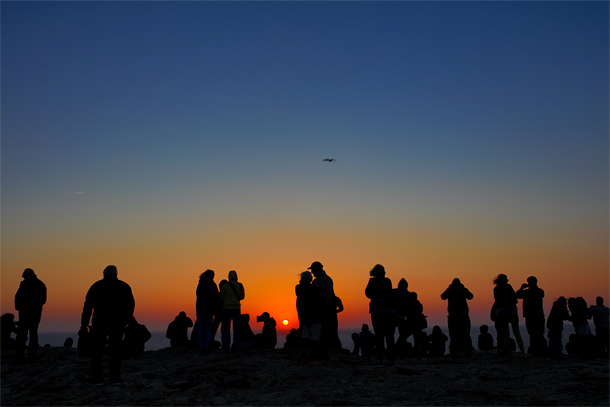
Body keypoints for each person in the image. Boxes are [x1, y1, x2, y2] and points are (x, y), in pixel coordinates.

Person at [81, 265, 135, 385]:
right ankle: (115, 377)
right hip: (117, 323)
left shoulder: (96, 286)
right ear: (116, 274)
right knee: (115, 350)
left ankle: (97, 377)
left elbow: (88, 306)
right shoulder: (124, 286)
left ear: (104, 274)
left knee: (97, 350)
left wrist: (84, 324)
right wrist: (126, 320)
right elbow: (130, 305)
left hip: (100, 323)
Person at [365, 264, 395, 366]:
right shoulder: (388, 281)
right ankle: (390, 358)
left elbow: (367, 293)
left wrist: (375, 294)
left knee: (379, 335)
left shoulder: (372, 281)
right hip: (388, 311)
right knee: (389, 335)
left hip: (376, 310)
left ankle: (379, 358)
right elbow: (390, 293)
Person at [14, 268, 47, 362]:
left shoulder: (36, 284)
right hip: (31, 313)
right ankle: (26, 356)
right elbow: (43, 300)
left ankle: (24, 356)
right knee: (29, 334)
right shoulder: (38, 284)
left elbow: (42, 300)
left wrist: (20, 306)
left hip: (30, 313)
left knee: (26, 334)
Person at [491, 274, 525, 357]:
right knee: (517, 332)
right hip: (512, 311)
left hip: (502, 312)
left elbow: (497, 301)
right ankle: (523, 353)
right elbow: (515, 299)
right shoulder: (508, 287)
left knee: (505, 334)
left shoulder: (496, 289)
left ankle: (507, 353)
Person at [296, 270, 324, 364]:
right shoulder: (315, 289)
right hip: (315, 316)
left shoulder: (299, 289)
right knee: (315, 337)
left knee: (305, 335)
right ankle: (313, 358)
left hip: (304, 316)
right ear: (310, 279)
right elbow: (320, 302)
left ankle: (304, 357)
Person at [440, 278, 474, 357]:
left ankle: (455, 353)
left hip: (455, 316)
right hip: (461, 316)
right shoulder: (461, 290)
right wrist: (463, 289)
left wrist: (449, 289)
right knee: (464, 335)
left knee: (454, 335)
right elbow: (470, 296)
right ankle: (466, 352)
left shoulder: (451, 290)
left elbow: (443, 296)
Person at [309, 261, 335, 359]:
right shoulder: (315, 281)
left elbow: (329, 295)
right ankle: (318, 351)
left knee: (324, 331)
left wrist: (323, 308)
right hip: (316, 310)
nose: (312, 272)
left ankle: (324, 353)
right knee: (317, 331)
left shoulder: (327, 280)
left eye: (313, 270)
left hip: (323, 310)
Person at [516, 276, 546, 356]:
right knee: (536, 333)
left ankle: (536, 349)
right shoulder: (539, 291)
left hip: (532, 315)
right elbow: (517, 296)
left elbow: (517, 295)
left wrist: (522, 288)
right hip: (537, 315)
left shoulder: (528, 292)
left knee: (534, 333)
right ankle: (538, 349)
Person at [219, 270, 245, 352]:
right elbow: (242, 297)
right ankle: (235, 346)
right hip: (236, 308)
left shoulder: (225, 286)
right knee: (236, 329)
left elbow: (221, 298)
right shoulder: (240, 285)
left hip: (226, 308)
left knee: (226, 329)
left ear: (229, 277)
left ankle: (226, 347)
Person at [195, 269, 219, 354]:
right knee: (208, 328)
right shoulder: (212, 284)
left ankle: (202, 347)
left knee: (201, 329)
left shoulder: (200, 284)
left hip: (200, 309)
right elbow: (216, 296)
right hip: (209, 309)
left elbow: (197, 295)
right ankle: (207, 347)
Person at [392, 278, 411, 355]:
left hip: (392, 316)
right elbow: (409, 306)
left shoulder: (393, 291)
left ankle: (392, 351)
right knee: (402, 335)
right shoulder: (408, 294)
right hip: (402, 317)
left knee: (391, 335)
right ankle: (401, 352)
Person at [407, 291, 426, 359]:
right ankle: (418, 355)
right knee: (417, 341)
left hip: (411, 323)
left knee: (403, 337)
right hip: (418, 324)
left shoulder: (409, 304)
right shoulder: (419, 304)